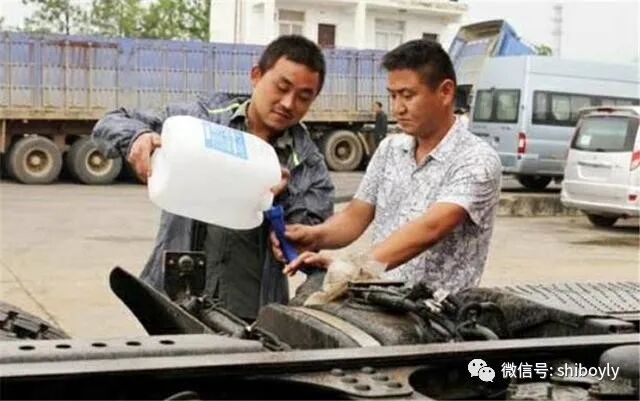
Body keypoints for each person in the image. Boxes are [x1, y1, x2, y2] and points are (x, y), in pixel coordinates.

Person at [93, 35, 335, 322]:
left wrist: (281, 212)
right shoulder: (203, 120)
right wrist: (138, 137)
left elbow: (306, 241)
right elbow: (110, 122)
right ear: (256, 75)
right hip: (172, 295)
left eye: (303, 97)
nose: (288, 103)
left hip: (251, 313)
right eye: (281, 87)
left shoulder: (307, 165)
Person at [274, 39, 501, 294]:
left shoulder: (477, 160)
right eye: (393, 95)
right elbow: (355, 217)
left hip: (437, 312)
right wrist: (314, 235)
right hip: (378, 301)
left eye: (408, 95)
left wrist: (352, 268)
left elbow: (431, 228)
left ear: (445, 92)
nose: (397, 108)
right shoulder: (390, 149)